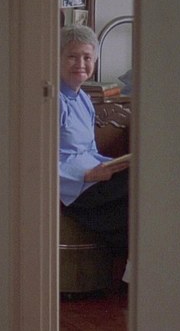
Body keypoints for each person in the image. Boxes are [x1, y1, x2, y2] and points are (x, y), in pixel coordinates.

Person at [59, 24, 130, 256]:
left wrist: (113, 164)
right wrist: (84, 175)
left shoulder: (84, 100)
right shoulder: (52, 101)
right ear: (57, 59)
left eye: (87, 57)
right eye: (72, 57)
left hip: (95, 179)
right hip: (74, 190)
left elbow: (89, 151)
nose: (80, 64)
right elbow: (38, 160)